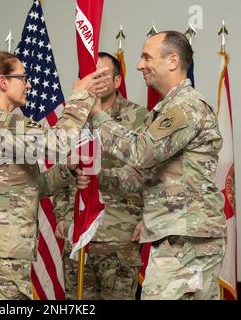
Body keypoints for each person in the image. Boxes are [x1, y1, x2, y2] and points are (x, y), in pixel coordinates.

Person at [76, 31, 227, 300]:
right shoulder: (165, 110)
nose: (139, 65)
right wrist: (96, 177)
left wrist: (97, 116)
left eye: (146, 57)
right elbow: (138, 176)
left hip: (186, 240)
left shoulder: (185, 107)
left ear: (172, 60)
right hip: (181, 237)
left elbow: (141, 152)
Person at [0, 51, 108, 300]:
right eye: (23, 77)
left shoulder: (1, 124)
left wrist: (67, 170)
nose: (29, 83)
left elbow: (34, 185)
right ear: (3, 82)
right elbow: (56, 145)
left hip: (0, 249)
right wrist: (82, 95)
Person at [54, 52, 147, 300]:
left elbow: (149, 170)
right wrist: (62, 213)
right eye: (89, 75)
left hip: (119, 236)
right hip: (78, 234)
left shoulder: (139, 117)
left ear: (117, 81)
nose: (94, 80)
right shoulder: (73, 117)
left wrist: (147, 217)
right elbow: (64, 165)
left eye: (102, 75)